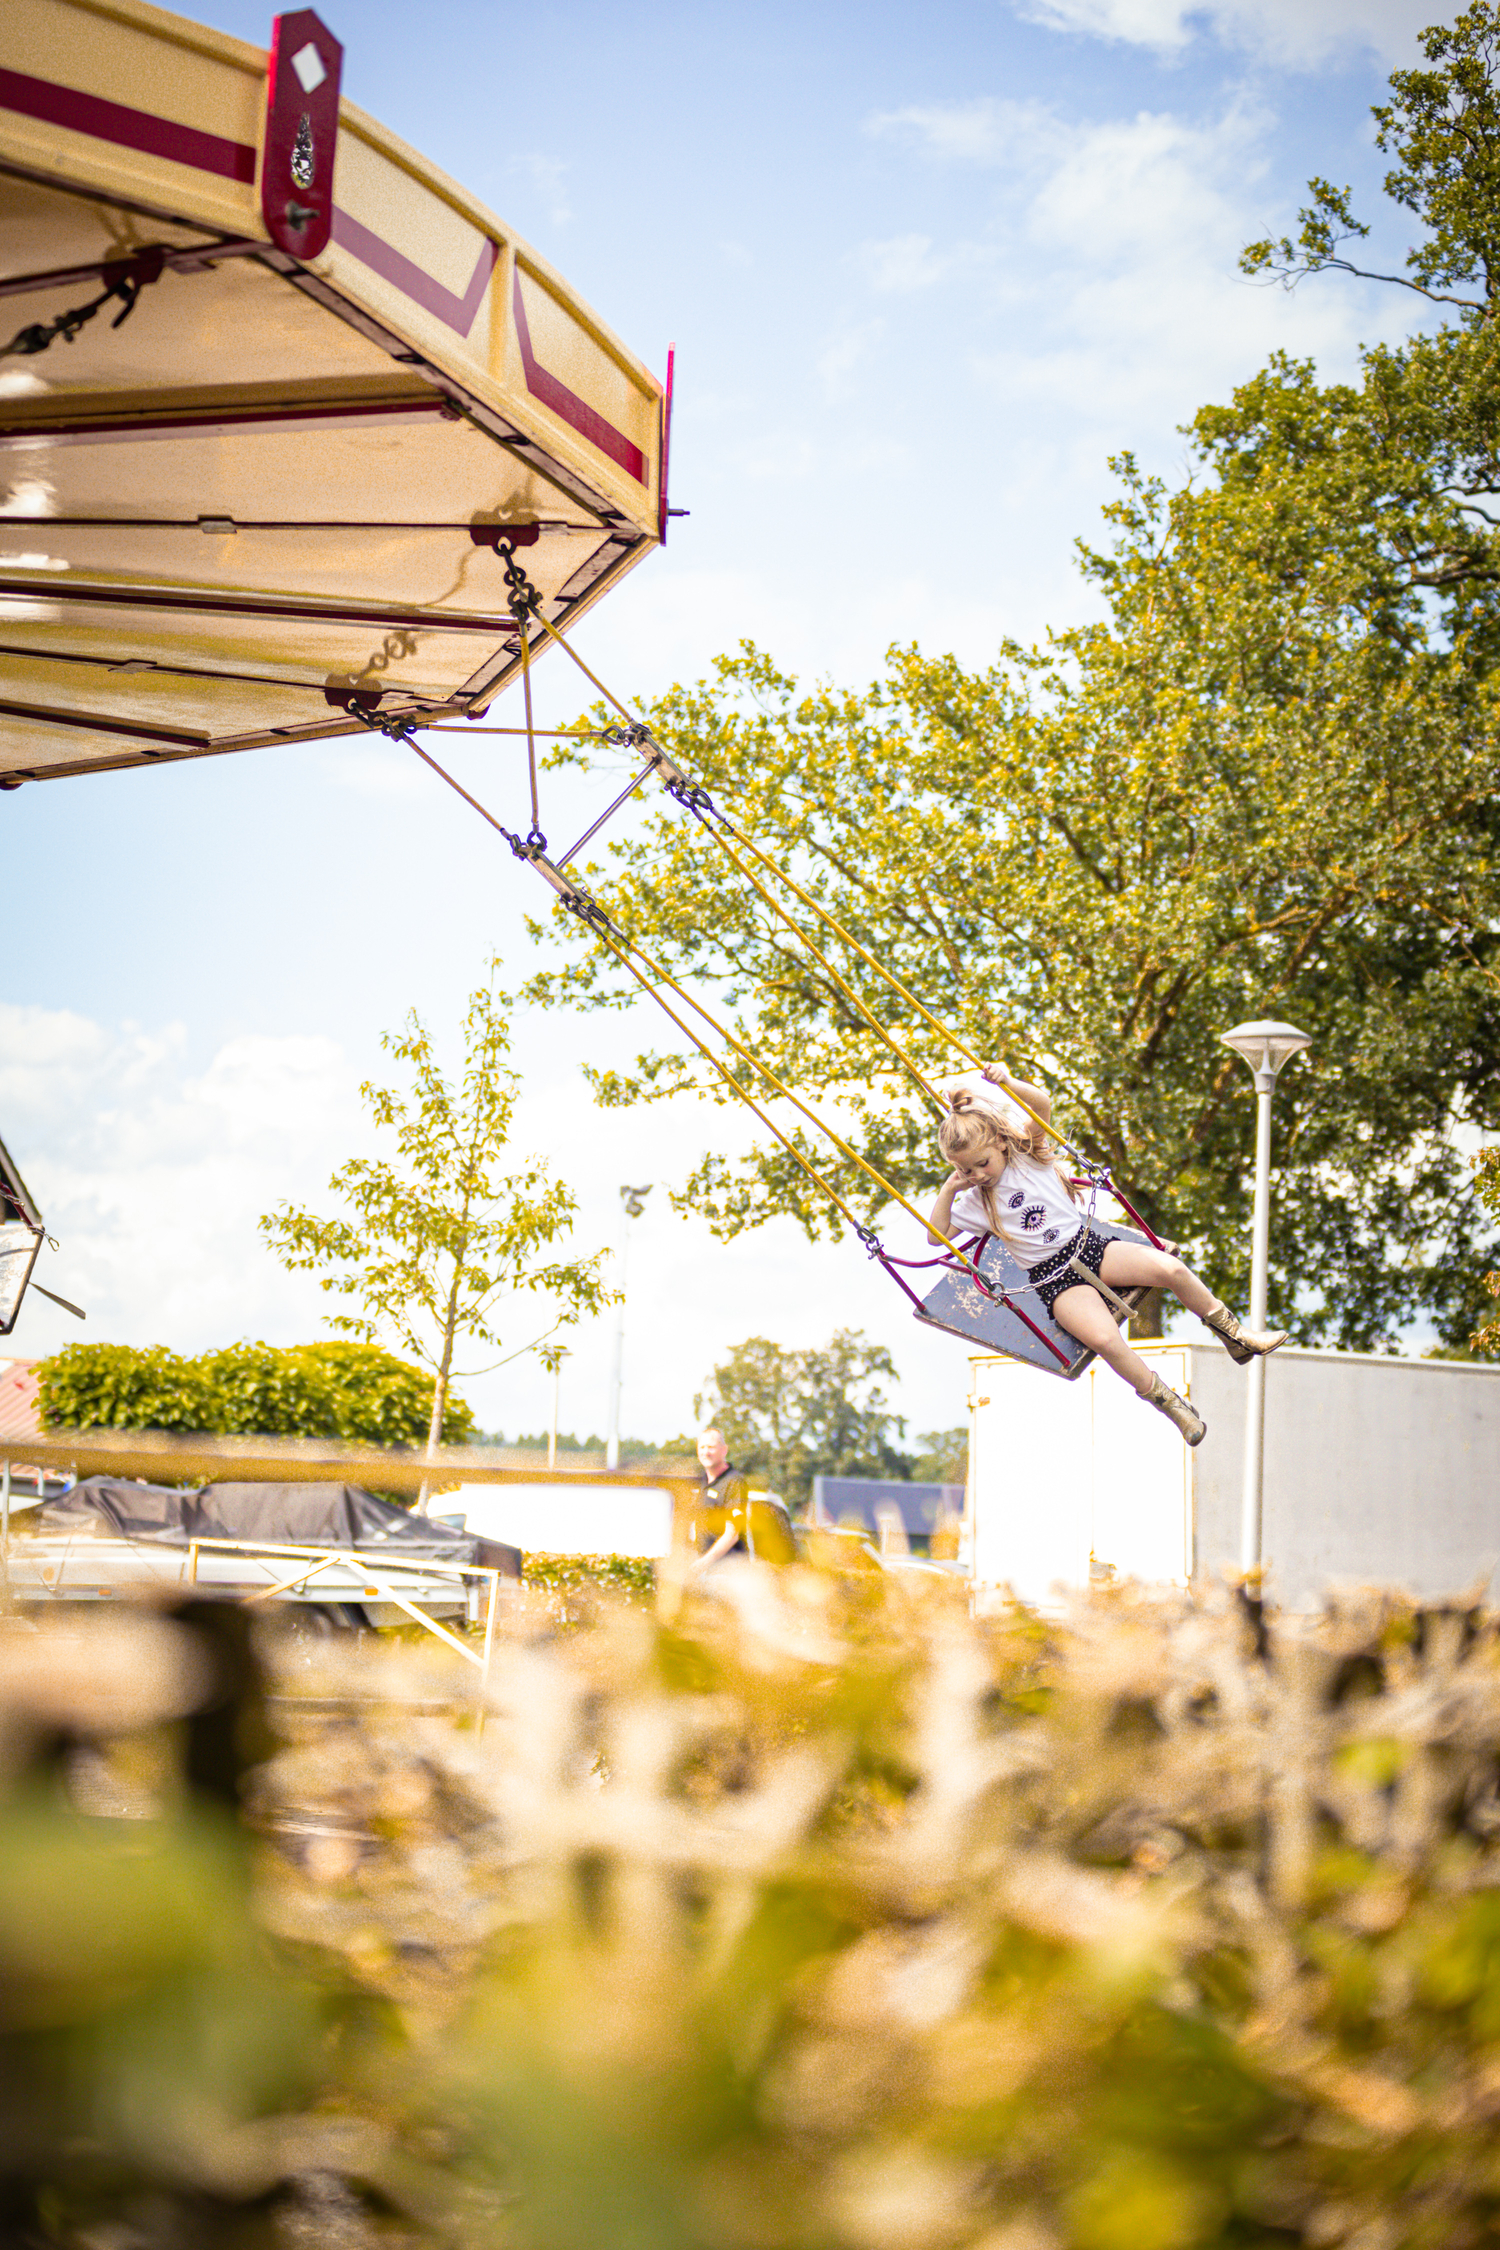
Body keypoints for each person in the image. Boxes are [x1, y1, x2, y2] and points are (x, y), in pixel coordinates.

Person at [928, 1062, 1287, 1446]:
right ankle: (1171, 1405)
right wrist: (950, 1188)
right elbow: (937, 1237)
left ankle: (1235, 1335)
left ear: (1000, 1143)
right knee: (1106, 1340)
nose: (978, 1174)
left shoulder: (1027, 1155)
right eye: (966, 1169)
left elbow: (1043, 1107)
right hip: (1055, 1281)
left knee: (1171, 1269)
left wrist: (1007, 1082)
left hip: (1089, 1247)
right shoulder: (976, 1201)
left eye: (981, 1163)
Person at [689, 1427, 795, 1569]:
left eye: (711, 1447)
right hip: (705, 1566)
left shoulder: (734, 1482)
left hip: (727, 1570)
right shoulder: (703, 1481)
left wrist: (704, 1563)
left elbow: (732, 1534)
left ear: (724, 1450)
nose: (705, 1452)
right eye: (702, 1447)